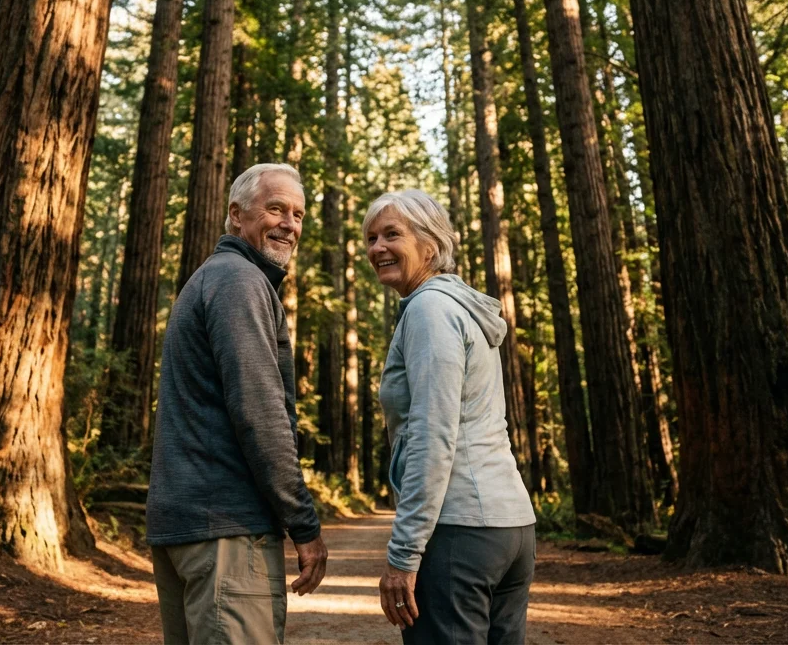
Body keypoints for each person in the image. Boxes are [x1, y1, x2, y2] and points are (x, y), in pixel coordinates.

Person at [146, 163, 329, 645]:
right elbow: (260, 413)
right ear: (236, 215)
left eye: (298, 214)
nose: (289, 224)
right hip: (225, 536)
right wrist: (303, 525)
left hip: (190, 530)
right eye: (275, 208)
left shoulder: (216, 278)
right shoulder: (239, 282)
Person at [364, 189, 536, 645]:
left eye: (391, 235)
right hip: (509, 526)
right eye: (370, 238)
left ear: (431, 244)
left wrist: (404, 554)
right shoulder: (459, 309)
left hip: (460, 531)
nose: (377, 247)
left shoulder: (429, 310)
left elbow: (431, 435)